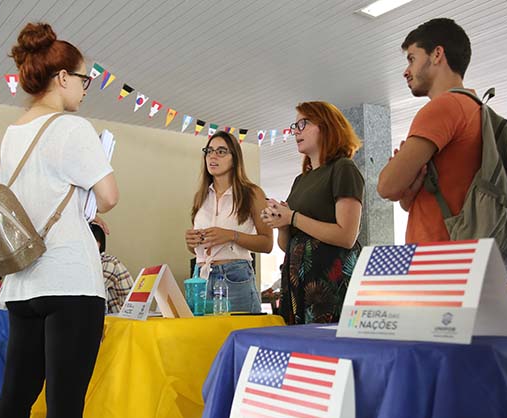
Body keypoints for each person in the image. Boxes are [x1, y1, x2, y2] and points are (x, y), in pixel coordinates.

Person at [0, 22, 119, 418]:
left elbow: (3, 199)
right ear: (62, 78)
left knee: (15, 399)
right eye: (84, 79)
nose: (85, 89)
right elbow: (109, 197)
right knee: (65, 408)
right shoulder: (73, 128)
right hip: (71, 280)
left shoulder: (12, 135)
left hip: (23, 283)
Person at [377, 18, 482, 244]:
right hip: (466, 254)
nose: (407, 71)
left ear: (437, 54)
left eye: (412, 59)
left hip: (435, 257)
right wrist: (407, 187)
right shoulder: (476, 109)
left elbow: (386, 186)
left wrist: (401, 177)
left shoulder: (443, 107)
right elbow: (406, 201)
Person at [262, 101, 364, 325]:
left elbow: (347, 236)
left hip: (329, 280)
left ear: (326, 126)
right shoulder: (301, 180)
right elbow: (286, 244)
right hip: (298, 278)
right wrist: (282, 223)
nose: (295, 131)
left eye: (303, 123)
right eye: (295, 125)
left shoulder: (343, 168)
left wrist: (293, 217)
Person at [185, 130, 273, 313]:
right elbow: (197, 248)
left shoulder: (253, 193)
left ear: (235, 158)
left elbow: (267, 243)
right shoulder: (200, 197)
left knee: (240, 336)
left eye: (221, 151)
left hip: (235, 275)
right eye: (209, 151)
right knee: (205, 339)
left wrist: (231, 236)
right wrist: (191, 243)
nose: (212, 156)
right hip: (202, 278)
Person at [90, 222, 133, 314]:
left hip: (124, 318)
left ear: (99, 243)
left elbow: (90, 288)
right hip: (112, 318)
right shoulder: (93, 262)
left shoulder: (108, 263)